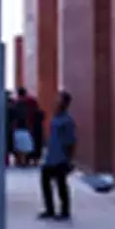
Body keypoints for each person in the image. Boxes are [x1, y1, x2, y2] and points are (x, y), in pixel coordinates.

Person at [37, 92, 79, 220]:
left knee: (61, 185)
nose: (55, 103)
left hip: (61, 158)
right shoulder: (55, 118)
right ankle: (50, 209)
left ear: (65, 103)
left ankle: (65, 211)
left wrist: (70, 160)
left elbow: (72, 142)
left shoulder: (68, 121)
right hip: (51, 156)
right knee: (45, 181)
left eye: (58, 100)